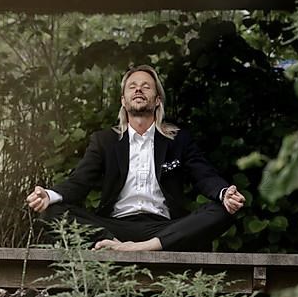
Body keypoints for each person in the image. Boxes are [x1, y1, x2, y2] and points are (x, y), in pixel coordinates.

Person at [26, 64, 245, 252]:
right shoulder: (105, 141)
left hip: (164, 229)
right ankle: (112, 243)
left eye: (146, 86)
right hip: (114, 226)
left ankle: (144, 248)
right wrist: (49, 195)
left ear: (157, 100)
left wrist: (225, 194)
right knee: (52, 211)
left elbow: (204, 175)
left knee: (222, 210)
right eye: (132, 86)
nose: (138, 89)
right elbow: (79, 181)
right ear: (123, 100)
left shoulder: (178, 140)